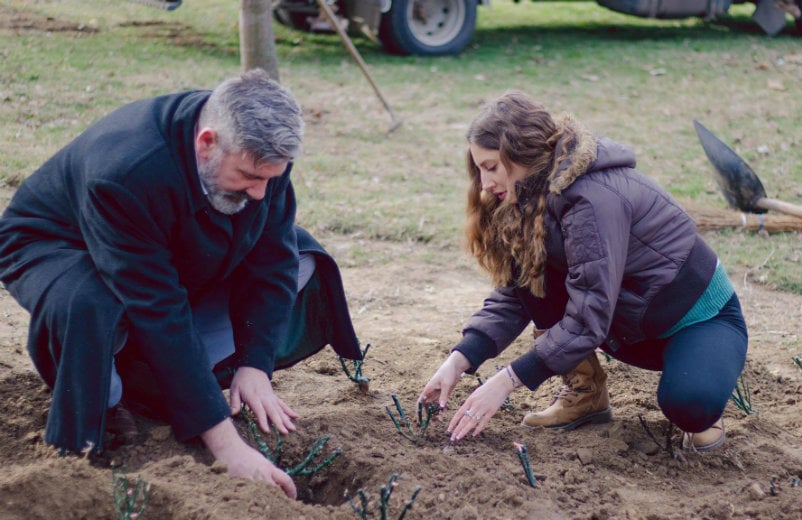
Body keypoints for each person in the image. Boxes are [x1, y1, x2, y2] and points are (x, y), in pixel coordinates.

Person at [0, 69, 363, 499]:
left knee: (303, 257)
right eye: (250, 176)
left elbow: (272, 261)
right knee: (92, 304)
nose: (262, 193)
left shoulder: (258, 154)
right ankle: (111, 395)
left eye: (272, 178)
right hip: (57, 242)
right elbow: (158, 306)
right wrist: (229, 448)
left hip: (167, 247)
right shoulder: (124, 173)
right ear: (206, 142)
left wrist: (255, 363)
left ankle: (158, 377)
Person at [418, 91, 748, 452]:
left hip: (697, 320)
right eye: (479, 168)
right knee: (534, 276)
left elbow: (589, 312)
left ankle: (702, 388)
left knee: (689, 404)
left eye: (491, 167)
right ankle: (586, 393)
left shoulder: (592, 198)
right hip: (626, 326)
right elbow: (517, 295)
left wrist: (507, 380)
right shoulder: (525, 197)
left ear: (522, 155)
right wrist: (459, 360)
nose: (484, 184)